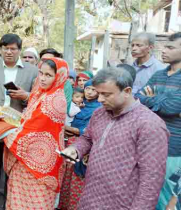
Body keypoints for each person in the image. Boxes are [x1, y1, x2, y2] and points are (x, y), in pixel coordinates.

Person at [63, 67, 169, 209]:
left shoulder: (149, 124)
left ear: (127, 92)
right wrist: (75, 149)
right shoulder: (99, 113)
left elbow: (152, 179)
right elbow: (87, 138)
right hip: (90, 198)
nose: (100, 99)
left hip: (121, 204)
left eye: (106, 94)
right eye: (98, 93)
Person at [0, 33, 38, 210]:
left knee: (12, 167)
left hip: (18, 126)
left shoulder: (32, 70)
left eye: (13, 49)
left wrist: (25, 96)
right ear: (1, 49)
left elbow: (37, 99)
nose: (9, 52)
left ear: (19, 50)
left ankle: (8, 203)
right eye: (5, 48)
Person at [3, 58, 68, 209]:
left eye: (49, 75)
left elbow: (32, 132)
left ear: (59, 76)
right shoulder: (40, 92)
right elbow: (29, 120)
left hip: (37, 162)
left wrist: (4, 133)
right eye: (41, 73)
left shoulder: (54, 101)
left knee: (36, 202)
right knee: (19, 199)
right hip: (26, 159)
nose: (43, 78)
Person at [134, 32, 181, 210]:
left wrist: (152, 99)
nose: (164, 50)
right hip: (151, 143)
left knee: (168, 194)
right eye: (165, 46)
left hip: (174, 146)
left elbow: (172, 106)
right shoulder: (160, 75)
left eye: (170, 47)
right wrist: (160, 104)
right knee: (148, 189)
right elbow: (139, 98)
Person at [58, 80, 101, 210]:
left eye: (94, 90)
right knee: (66, 178)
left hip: (83, 147)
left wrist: (65, 128)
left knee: (77, 180)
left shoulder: (99, 108)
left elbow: (87, 131)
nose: (90, 92)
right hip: (68, 145)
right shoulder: (77, 104)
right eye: (88, 89)